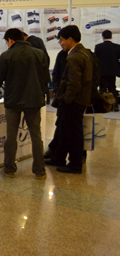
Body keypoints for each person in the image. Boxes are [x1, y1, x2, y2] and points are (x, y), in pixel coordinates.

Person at [0, 28, 49, 180]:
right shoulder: (39, 54)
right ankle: (40, 171)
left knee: (11, 136)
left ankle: (9, 168)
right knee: (36, 136)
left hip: (13, 101)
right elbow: (45, 79)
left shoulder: (6, 56)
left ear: (10, 40)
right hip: (34, 101)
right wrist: (40, 93)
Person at [47, 25, 92, 174]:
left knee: (73, 134)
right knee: (65, 131)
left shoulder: (75, 57)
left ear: (70, 39)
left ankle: (75, 164)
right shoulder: (83, 53)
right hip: (79, 100)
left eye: (62, 40)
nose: (61, 44)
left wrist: (66, 100)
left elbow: (73, 83)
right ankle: (59, 158)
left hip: (74, 102)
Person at [94, 29, 120, 111]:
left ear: (103, 37)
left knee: (102, 88)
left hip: (101, 71)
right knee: (112, 88)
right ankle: (115, 105)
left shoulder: (98, 47)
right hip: (113, 71)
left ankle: (103, 106)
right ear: (111, 37)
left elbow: (95, 59)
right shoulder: (117, 47)